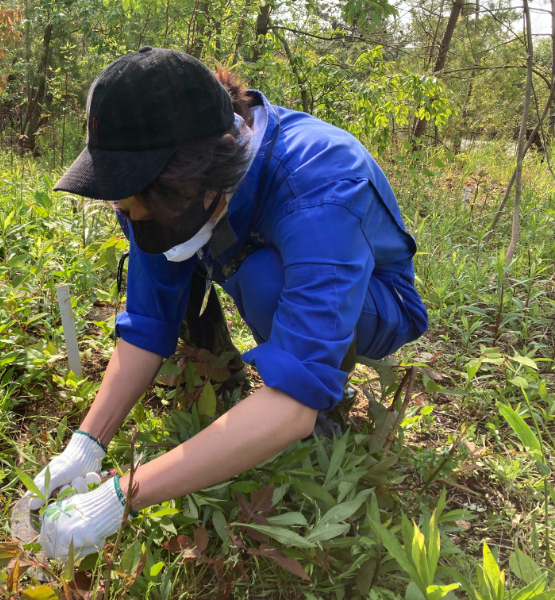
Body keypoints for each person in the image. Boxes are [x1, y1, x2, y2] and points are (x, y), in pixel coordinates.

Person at [27, 47, 428, 561]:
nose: (122, 213)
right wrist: (84, 446)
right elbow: (147, 325)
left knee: (262, 281)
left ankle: (330, 408)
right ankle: (221, 368)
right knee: (174, 241)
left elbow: (289, 409)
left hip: (377, 300)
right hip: (235, 240)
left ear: (195, 184)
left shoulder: (322, 187)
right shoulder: (171, 188)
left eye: (131, 201)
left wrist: (120, 496)